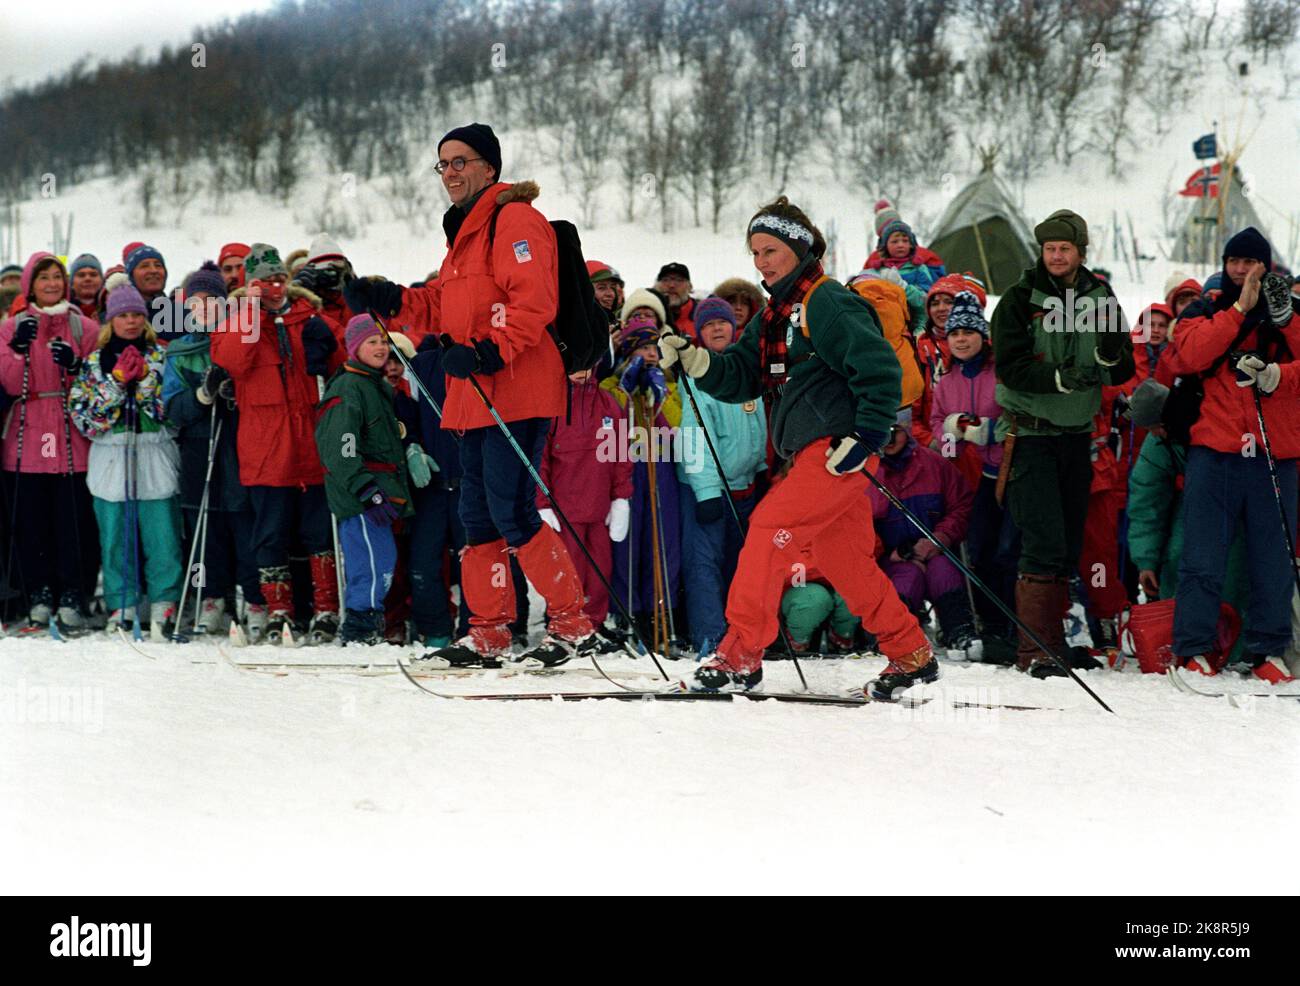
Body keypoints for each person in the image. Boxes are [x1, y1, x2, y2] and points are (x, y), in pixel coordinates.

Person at [659, 196, 937, 698]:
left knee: (767, 530)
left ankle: (741, 654)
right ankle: (909, 650)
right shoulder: (775, 314)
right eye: (755, 253)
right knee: (844, 558)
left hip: (836, 449)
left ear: (798, 247)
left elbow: (878, 368)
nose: (762, 261)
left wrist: (866, 437)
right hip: (819, 453)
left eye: (770, 249)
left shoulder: (825, 300)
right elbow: (741, 375)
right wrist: (697, 361)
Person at [345, 121, 597, 666]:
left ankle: (575, 624)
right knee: (477, 513)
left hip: (517, 386)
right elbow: (440, 308)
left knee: (511, 508)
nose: (451, 173)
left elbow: (534, 303)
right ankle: (488, 630)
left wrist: (487, 351)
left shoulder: (515, 220)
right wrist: (389, 298)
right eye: (443, 164)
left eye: (461, 161)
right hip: (477, 395)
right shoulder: (462, 236)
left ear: (489, 167)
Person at [991, 208, 1135, 677]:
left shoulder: (1100, 296)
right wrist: (1059, 378)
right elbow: (1010, 366)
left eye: (1064, 248)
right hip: (1029, 435)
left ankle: (1053, 643)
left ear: (1080, 252)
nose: (1056, 256)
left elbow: (1122, 367)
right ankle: (1034, 651)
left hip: (1076, 438)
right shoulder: (1017, 299)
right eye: (1050, 248)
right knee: (1043, 541)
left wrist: (1111, 357)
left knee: (1069, 544)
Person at [1162, 227, 1299, 684]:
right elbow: (1190, 356)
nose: (1241, 270)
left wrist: (1278, 372)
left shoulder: (1288, 311)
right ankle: (1193, 648)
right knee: (1201, 557)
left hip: (1276, 455)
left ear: (1267, 265)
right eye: (1234, 260)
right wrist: (1239, 310)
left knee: (1274, 560)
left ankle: (1268, 650)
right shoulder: (1207, 307)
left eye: (1250, 262)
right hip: (1216, 451)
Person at [210, 242, 343, 644]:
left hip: (313, 447)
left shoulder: (312, 318)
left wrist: (330, 346)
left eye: (279, 278)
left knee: (320, 534)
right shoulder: (237, 321)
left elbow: (345, 363)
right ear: (250, 284)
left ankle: (326, 609)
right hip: (266, 452)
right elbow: (233, 360)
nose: (274, 286)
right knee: (270, 535)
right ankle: (279, 611)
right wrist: (250, 309)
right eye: (264, 280)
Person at [68, 284, 182, 634]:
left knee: (162, 533)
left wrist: (146, 381)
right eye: (122, 316)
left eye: (136, 315)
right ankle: (122, 602)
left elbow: (172, 411)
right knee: (115, 534)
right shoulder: (93, 362)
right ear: (110, 320)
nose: (130, 322)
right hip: (111, 454)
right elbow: (84, 416)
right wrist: (116, 384)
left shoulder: (161, 356)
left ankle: (164, 600)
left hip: (153, 450)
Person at [161, 261, 265, 638]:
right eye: (196, 302)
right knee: (205, 528)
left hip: (238, 446)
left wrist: (233, 394)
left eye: (211, 301)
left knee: (244, 523)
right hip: (196, 449)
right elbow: (171, 408)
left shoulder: (237, 339)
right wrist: (201, 395)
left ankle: (255, 599)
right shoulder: (179, 350)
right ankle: (210, 598)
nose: (203, 308)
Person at [0, 252, 100, 630]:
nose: (53, 284)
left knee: (72, 518)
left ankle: (74, 590)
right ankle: (39, 591)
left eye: (58, 276)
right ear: (30, 285)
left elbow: (94, 381)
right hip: (30, 430)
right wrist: (17, 351)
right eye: (44, 278)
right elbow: (8, 385)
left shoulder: (84, 327)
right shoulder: (10, 329)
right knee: (32, 520)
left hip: (70, 432)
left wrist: (76, 367)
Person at [676, 296, 767, 658]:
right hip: (708, 492)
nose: (717, 328)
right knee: (704, 567)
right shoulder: (697, 377)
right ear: (699, 332)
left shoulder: (746, 371)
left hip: (744, 487)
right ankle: (710, 641)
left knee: (740, 567)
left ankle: (741, 638)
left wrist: (759, 469)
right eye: (710, 324)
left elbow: (756, 427)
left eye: (723, 323)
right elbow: (695, 435)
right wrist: (707, 491)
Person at [315, 315, 415, 644]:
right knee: (372, 561)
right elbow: (340, 449)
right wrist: (366, 489)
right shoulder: (349, 387)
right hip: (361, 494)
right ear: (355, 347)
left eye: (384, 341)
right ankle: (359, 630)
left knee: (382, 558)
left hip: (379, 490)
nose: (380, 347)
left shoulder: (374, 384)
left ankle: (368, 626)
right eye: (372, 341)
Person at [929, 290, 1016, 653]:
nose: (961, 340)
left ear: (982, 335)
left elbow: (1017, 412)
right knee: (978, 550)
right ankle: (988, 622)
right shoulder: (946, 381)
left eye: (968, 332)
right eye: (954, 334)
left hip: (1010, 474)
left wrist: (993, 430)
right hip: (973, 477)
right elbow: (938, 424)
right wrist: (953, 430)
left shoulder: (1000, 372)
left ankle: (1015, 623)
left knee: (1008, 550)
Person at [601, 313, 683, 650]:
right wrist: (626, 388)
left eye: (655, 348)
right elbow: (608, 425)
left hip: (660, 467)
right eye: (643, 347)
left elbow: (678, 428)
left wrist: (661, 396)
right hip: (624, 467)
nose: (651, 354)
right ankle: (626, 612)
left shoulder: (672, 386)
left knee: (662, 543)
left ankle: (658, 612)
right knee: (626, 544)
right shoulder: (612, 387)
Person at [869, 413, 978, 658]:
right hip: (894, 557)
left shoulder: (934, 464)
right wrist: (891, 553)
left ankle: (958, 629)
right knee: (907, 576)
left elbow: (961, 505)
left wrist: (940, 538)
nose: (888, 439)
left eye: (894, 430)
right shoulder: (869, 471)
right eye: (882, 431)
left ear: (906, 430)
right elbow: (861, 522)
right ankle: (895, 635)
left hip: (937, 549)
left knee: (943, 570)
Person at [538, 364, 632, 633]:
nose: (581, 372)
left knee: (600, 570)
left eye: (587, 365)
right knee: (569, 569)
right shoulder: (552, 404)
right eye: (575, 366)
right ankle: (565, 621)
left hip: (600, 506)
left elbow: (620, 453)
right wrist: (542, 503)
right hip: (564, 510)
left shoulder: (608, 404)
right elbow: (539, 459)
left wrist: (620, 497)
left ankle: (594, 623)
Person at [655, 262, 697, 339]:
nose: (671, 285)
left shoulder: (702, 317)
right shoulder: (648, 316)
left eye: (679, 280)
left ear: (690, 287)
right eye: (665, 280)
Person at [68, 254, 104, 321]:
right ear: (71, 283)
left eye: (93, 274)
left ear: (102, 281)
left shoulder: (111, 310)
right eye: (81, 275)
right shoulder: (63, 311)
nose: (88, 278)